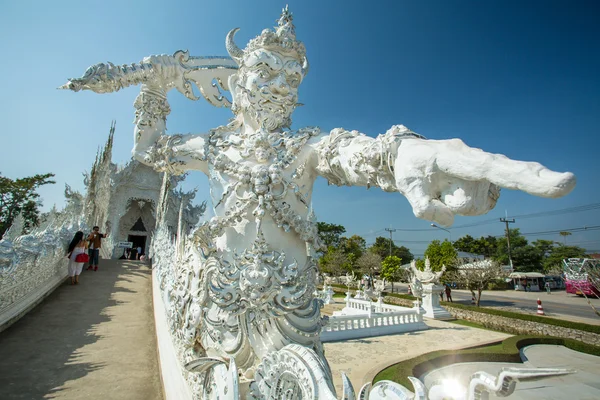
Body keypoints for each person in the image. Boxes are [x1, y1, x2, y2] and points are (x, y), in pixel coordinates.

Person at [63, 6, 577, 383]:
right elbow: (151, 155)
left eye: (292, 75)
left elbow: (358, 154)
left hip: (292, 315)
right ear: (240, 82)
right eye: (267, 69)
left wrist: (402, 157)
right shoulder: (212, 145)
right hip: (216, 309)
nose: (281, 83)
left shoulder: (307, 147)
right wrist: (153, 91)